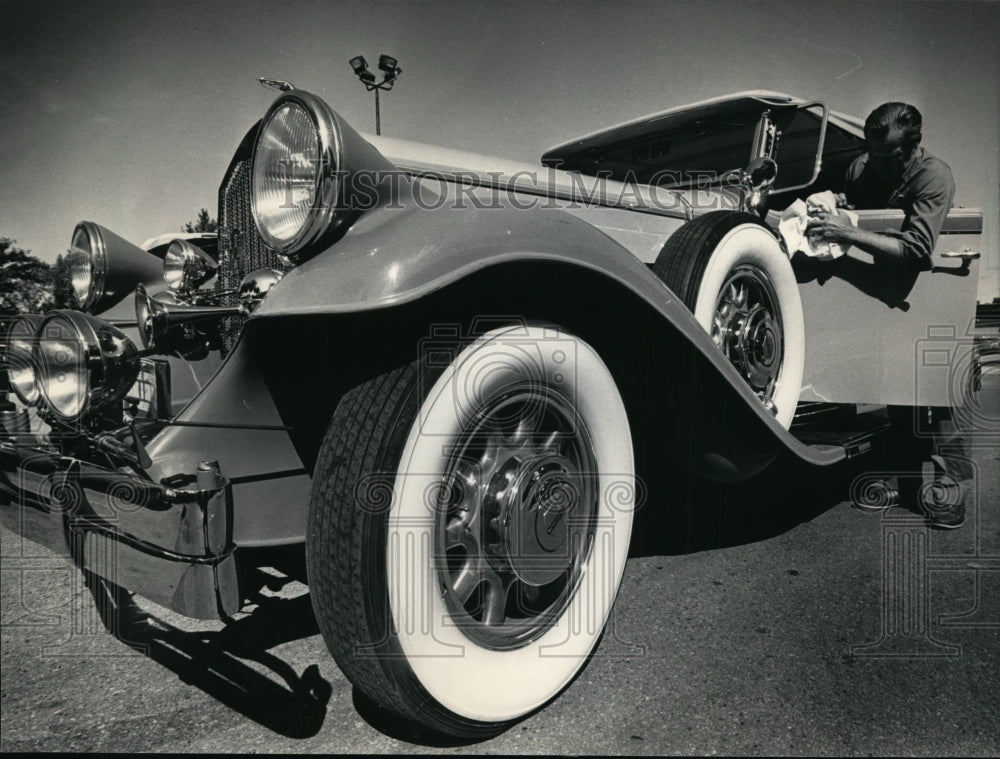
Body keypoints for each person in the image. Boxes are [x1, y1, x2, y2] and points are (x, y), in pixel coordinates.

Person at [806, 102, 973, 529]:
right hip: (885, 293)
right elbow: (851, 200)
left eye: (890, 156)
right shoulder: (862, 168)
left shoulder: (934, 176)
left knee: (940, 393)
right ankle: (906, 479)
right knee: (897, 388)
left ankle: (950, 489)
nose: (877, 164)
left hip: (931, 292)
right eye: (873, 153)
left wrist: (846, 231)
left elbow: (916, 250)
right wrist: (833, 201)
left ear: (914, 145)